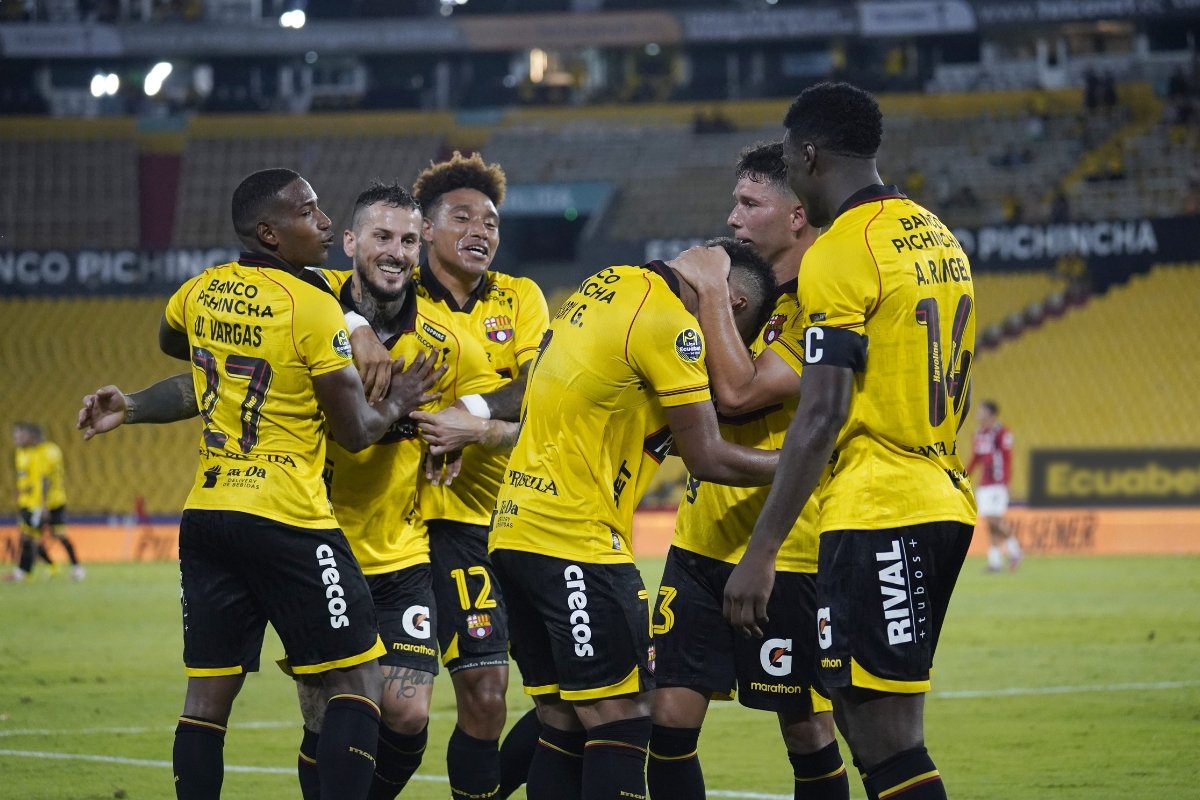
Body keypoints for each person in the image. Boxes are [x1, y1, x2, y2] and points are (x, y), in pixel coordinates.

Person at [76, 168, 441, 800]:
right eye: (309, 212)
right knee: (357, 689)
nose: (324, 223)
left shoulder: (200, 290)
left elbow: (181, 351)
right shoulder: (312, 305)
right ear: (270, 232)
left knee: (206, 699)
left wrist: (131, 405)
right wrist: (401, 397)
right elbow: (355, 431)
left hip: (208, 515)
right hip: (288, 516)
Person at [722, 83, 977, 800]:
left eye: (791, 164)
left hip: (879, 508)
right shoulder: (935, 234)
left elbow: (822, 410)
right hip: (940, 494)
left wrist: (763, 552)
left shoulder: (841, 250)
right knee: (887, 740)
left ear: (809, 156)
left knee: (884, 746)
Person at [488, 237, 780, 800]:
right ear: (730, 307)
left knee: (563, 725)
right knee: (623, 720)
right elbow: (708, 456)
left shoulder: (611, 282)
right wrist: (801, 462)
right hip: (575, 539)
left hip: (515, 531)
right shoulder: (673, 325)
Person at [648, 143, 849, 800]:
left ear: (797, 215)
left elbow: (738, 394)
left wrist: (707, 288)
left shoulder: (823, 299)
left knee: (806, 728)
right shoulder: (734, 292)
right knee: (669, 723)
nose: (733, 217)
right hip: (698, 540)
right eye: (735, 201)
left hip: (785, 549)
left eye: (750, 202)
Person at [407, 151, 550, 800]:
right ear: (427, 230)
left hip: (526, 520)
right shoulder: (397, 300)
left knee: (575, 698)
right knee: (484, 696)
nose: (481, 230)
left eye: (490, 221)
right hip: (446, 524)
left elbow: (539, 389)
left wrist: (470, 415)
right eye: (461, 217)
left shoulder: (521, 298)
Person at [8, 422, 84, 582]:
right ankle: (27, 572)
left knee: (54, 535)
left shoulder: (44, 452)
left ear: (31, 436)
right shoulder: (28, 452)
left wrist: (43, 505)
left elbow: (44, 480)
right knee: (29, 537)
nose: (16, 438)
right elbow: (31, 479)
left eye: (20, 435)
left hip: (50, 502)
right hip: (34, 502)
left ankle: (75, 568)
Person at [966, 400, 1020, 573]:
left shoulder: (1002, 432)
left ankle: (1015, 550)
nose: (977, 413)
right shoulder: (979, 434)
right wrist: (965, 476)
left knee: (994, 519)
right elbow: (975, 458)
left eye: (981, 410)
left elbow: (1007, 457)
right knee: (990, 523)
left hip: (997, 482)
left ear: (990, 413)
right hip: (985, 484)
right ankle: (995, 562)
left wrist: (1006, 481)